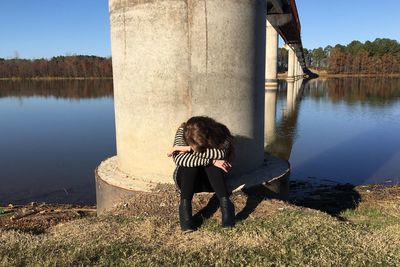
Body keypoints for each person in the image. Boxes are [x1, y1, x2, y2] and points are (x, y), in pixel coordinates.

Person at [167, 116, 235, 232]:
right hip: (186, 182)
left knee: (213, 166)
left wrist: (189, 149)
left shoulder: (221, 132)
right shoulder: (183, 131)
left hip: (211, 182)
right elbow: (180, 160)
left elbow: (220, 154)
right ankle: (185, 211)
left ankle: (226, 205)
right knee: (191, 166)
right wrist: (211, 159)